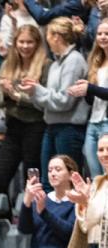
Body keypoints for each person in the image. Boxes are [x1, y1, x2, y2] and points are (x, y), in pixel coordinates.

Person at [18, 17, 88, 189]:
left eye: (48, 35)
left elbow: (64, 101)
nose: (46, 39)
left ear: (56, 36)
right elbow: (46, 102)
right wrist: (33, 93)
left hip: (69, 129)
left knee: (69, 183)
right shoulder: (56, 64)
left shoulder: (74, 60)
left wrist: (38, 90)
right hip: (52, 126)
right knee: (47, 181)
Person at [0, 24, 49, 197]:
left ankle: (31, 220)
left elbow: (43, 102)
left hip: (36, 126)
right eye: (21, 42)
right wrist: (6, 94)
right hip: (13, 127)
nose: (25, 46)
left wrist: (16, 96)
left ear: (37, 43)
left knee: (31, 181)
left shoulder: (45, 66)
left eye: (29, 42)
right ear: (15, 43)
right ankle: (5, 220)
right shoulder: (7, 65)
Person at [20, 155, 83, 248]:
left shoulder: (77, 201)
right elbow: (25, 229)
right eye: (49, 170)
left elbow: (69, 233)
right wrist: (26, 201)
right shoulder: (42, 199)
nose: (53, 173)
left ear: (71, 174)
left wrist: (44, 212)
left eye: (58, 169)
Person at [67, 133, 108, 248]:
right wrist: (84, 203)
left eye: (107, 149)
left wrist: (86, 201)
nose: (104, 154)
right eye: (100, 149)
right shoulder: (98, 182)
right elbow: (87, 225)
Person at [68, 19, 108, 176]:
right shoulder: (96, 61)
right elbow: (93, 100)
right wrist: (85, 91)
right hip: (93, 122)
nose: (103, 37)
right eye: (100, 34)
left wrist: (90, 88)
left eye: (107, 34)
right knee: (94, 174)